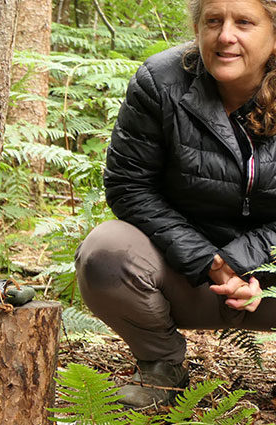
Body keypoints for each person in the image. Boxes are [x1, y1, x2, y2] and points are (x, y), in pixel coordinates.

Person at [75, 0, 276, 408]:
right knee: (105, 252)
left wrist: (240, 259)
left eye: (244, 22)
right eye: (213, 21)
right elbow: (129, 185)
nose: (225, 36)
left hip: (268, 278)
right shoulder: (161, 80)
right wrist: (213, 264)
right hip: (188, 274)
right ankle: (161, 367)